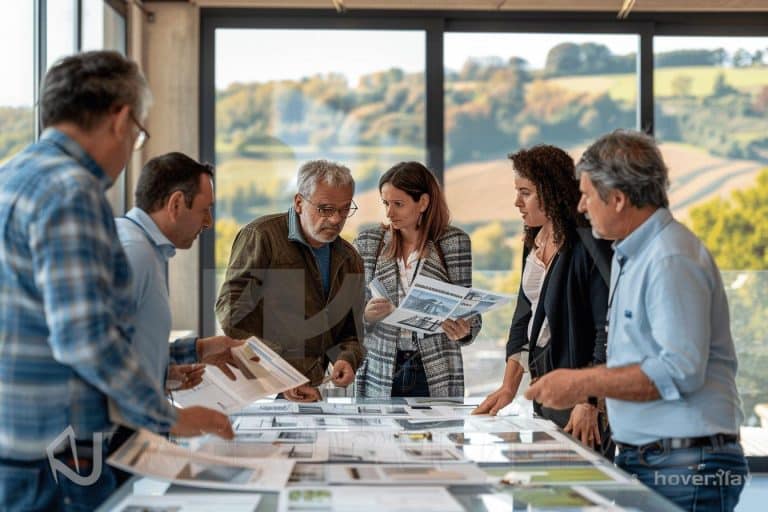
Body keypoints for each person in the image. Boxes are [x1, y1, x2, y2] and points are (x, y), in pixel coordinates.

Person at [0, 51, 233, 511]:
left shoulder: (12, 176)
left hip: (18, 441)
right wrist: (169, 417)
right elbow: (85, 338)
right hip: (59, 453)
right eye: (138, 134)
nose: (132, 150)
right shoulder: (71, 191)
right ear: (120, 119)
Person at [525, 130, 748, 511]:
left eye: (587, 195)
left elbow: (678, 371)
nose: (580, 206)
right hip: (657, 458)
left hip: (683, 464)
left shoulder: (669, 258)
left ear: (617, 199)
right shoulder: (635, 255)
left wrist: (581, 383)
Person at [473, 146, 613, 455]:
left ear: (551, 192)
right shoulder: (533, 241)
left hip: (579, 390)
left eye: (525, 192)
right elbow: (525, 316)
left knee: (580, 495)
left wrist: (588, 401)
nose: (516, 202)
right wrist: (509, 386)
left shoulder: (585, 245)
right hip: (545, 382)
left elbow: (606, 329)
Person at [216, 160, 365, 402]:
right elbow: (232, 314)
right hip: (261, 388)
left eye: (345, 209)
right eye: (326, 209)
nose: (337, 219)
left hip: (311, 389)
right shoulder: (261, 237)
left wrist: (346, 358)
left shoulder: (351, 259)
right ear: (299, 202)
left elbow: (352, 333)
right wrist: (281, 372)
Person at [116, 152, 251, 395]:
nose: (208, 222)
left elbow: (130, 350)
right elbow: (96, 359)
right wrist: (178, 419)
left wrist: (197, 351)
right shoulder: (134, 254)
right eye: (204, 209)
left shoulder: (145, 248)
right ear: (176, 204)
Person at [354, 161, 481, 397]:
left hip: (435, 368)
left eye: (398, 204)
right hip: (380, 368)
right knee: (378, 434)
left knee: (437, 434)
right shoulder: (368, 243)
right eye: (386, 203)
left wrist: (465, 328)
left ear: (422, 202)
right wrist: (366, 315)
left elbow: (467, 308)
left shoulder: (454, 243)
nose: (389, 212)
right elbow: (349, 315)